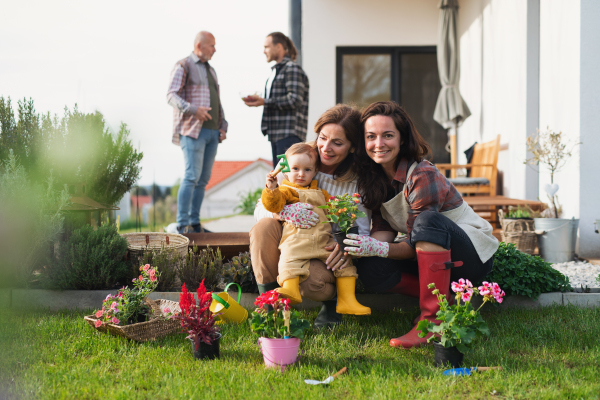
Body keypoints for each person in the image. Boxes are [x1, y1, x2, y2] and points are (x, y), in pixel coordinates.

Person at [342, 101, 498, 349]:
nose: (379, 144)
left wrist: (383, 249)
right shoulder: (376, 179)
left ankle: (432, 319)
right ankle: (449, 299)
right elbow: (384, 229)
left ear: (402, 139)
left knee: (427, 221)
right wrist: (368, 248)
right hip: (431, 256)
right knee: (372, 267)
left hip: (470, 256)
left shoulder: (422, 174)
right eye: (371, 137)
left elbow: (419, 237)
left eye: (388, 135)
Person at [250, 104, 370, 328]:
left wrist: (345, 246)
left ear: (352, 147)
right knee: (262, 228)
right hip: (292, 240)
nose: (325, 148)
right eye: (323, 138)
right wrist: (284, 211)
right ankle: (270, 306)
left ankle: (334, 303)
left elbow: (362, 229)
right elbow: (260, 208)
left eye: (338, 142)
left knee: (311, 283)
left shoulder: (357, 180)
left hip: (324, 249)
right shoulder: (298, 157)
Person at [260, 143, 370, 314]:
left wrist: (345, 210)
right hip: (297, 240)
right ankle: (290, 289)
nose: (301, 174)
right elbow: (272, 205)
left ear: (315, 171)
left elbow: (335, 210)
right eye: (295, 169)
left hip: (323, 241)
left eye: (307, 170)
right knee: (289, 260)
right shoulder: (286, 191)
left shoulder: (321, 192)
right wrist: (271, 189)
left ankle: (347, 300)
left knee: (344, 264)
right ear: (286, 171)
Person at [167, 31, 228, 234]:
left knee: (202, 180)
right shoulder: (184, 65)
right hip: (193, 131)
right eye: (212, 45)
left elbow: (216, 101)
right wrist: (194, 109)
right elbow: (171, 95)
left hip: (212, 133)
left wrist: (223, 125)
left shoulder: (211, 70)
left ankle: (194, 224)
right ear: (200, 45)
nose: (215, 49)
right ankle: (182, 224)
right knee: (191, 176)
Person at [243, 32, 309, 168]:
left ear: (278, 47)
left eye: (267, 47)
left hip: (289, 135)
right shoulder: (278, 71)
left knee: (287, 178)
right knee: (281, 179)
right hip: (278, 135)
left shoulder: (292, 69)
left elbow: (295, 99)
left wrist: (264, 101)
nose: (264, 51)